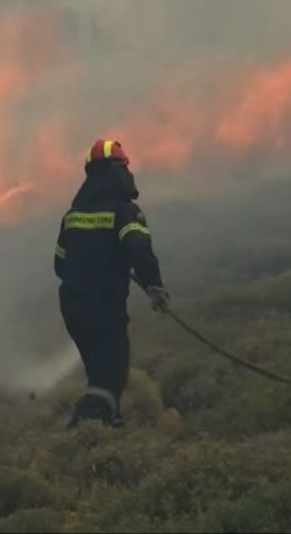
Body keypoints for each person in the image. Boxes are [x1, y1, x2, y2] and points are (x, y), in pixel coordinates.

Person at [53, 139, 170, 428]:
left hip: (73, 311)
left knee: (99, 375)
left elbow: (60, 265)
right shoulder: (124, 211)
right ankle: (81, 434)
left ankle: (107, 430)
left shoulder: (73, 216)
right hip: (104, 310)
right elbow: (139, 249)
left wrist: (94, 259)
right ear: (121, 171)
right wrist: (154, 287)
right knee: (111, 377)